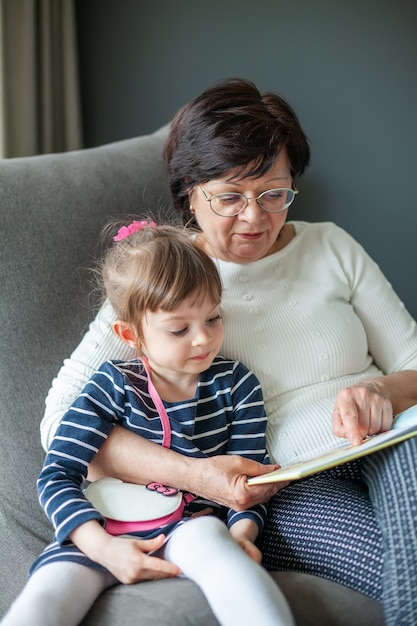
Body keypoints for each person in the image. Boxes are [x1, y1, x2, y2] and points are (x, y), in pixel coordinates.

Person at [40, 78, 417, 626]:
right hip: (287, 486)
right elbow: (60, 422)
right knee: (398, 567)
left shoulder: (331, 245)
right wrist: (197, 475)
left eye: (273, 193)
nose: (255, 217)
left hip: (394, 436)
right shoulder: (163, 279)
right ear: (189, 192)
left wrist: (380, 389)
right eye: (230, 197)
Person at [1, 222, 294, 626]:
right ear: (130, 334)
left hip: (189, 528)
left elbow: (250, 484)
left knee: (221, 552)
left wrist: (242, 535)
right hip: (101, 528)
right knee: (43, 600)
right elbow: (56, 475)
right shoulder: (110, 384)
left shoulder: (238, 386)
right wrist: (101, 546)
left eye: (212, 318)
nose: (203, 340)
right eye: (179, 329)